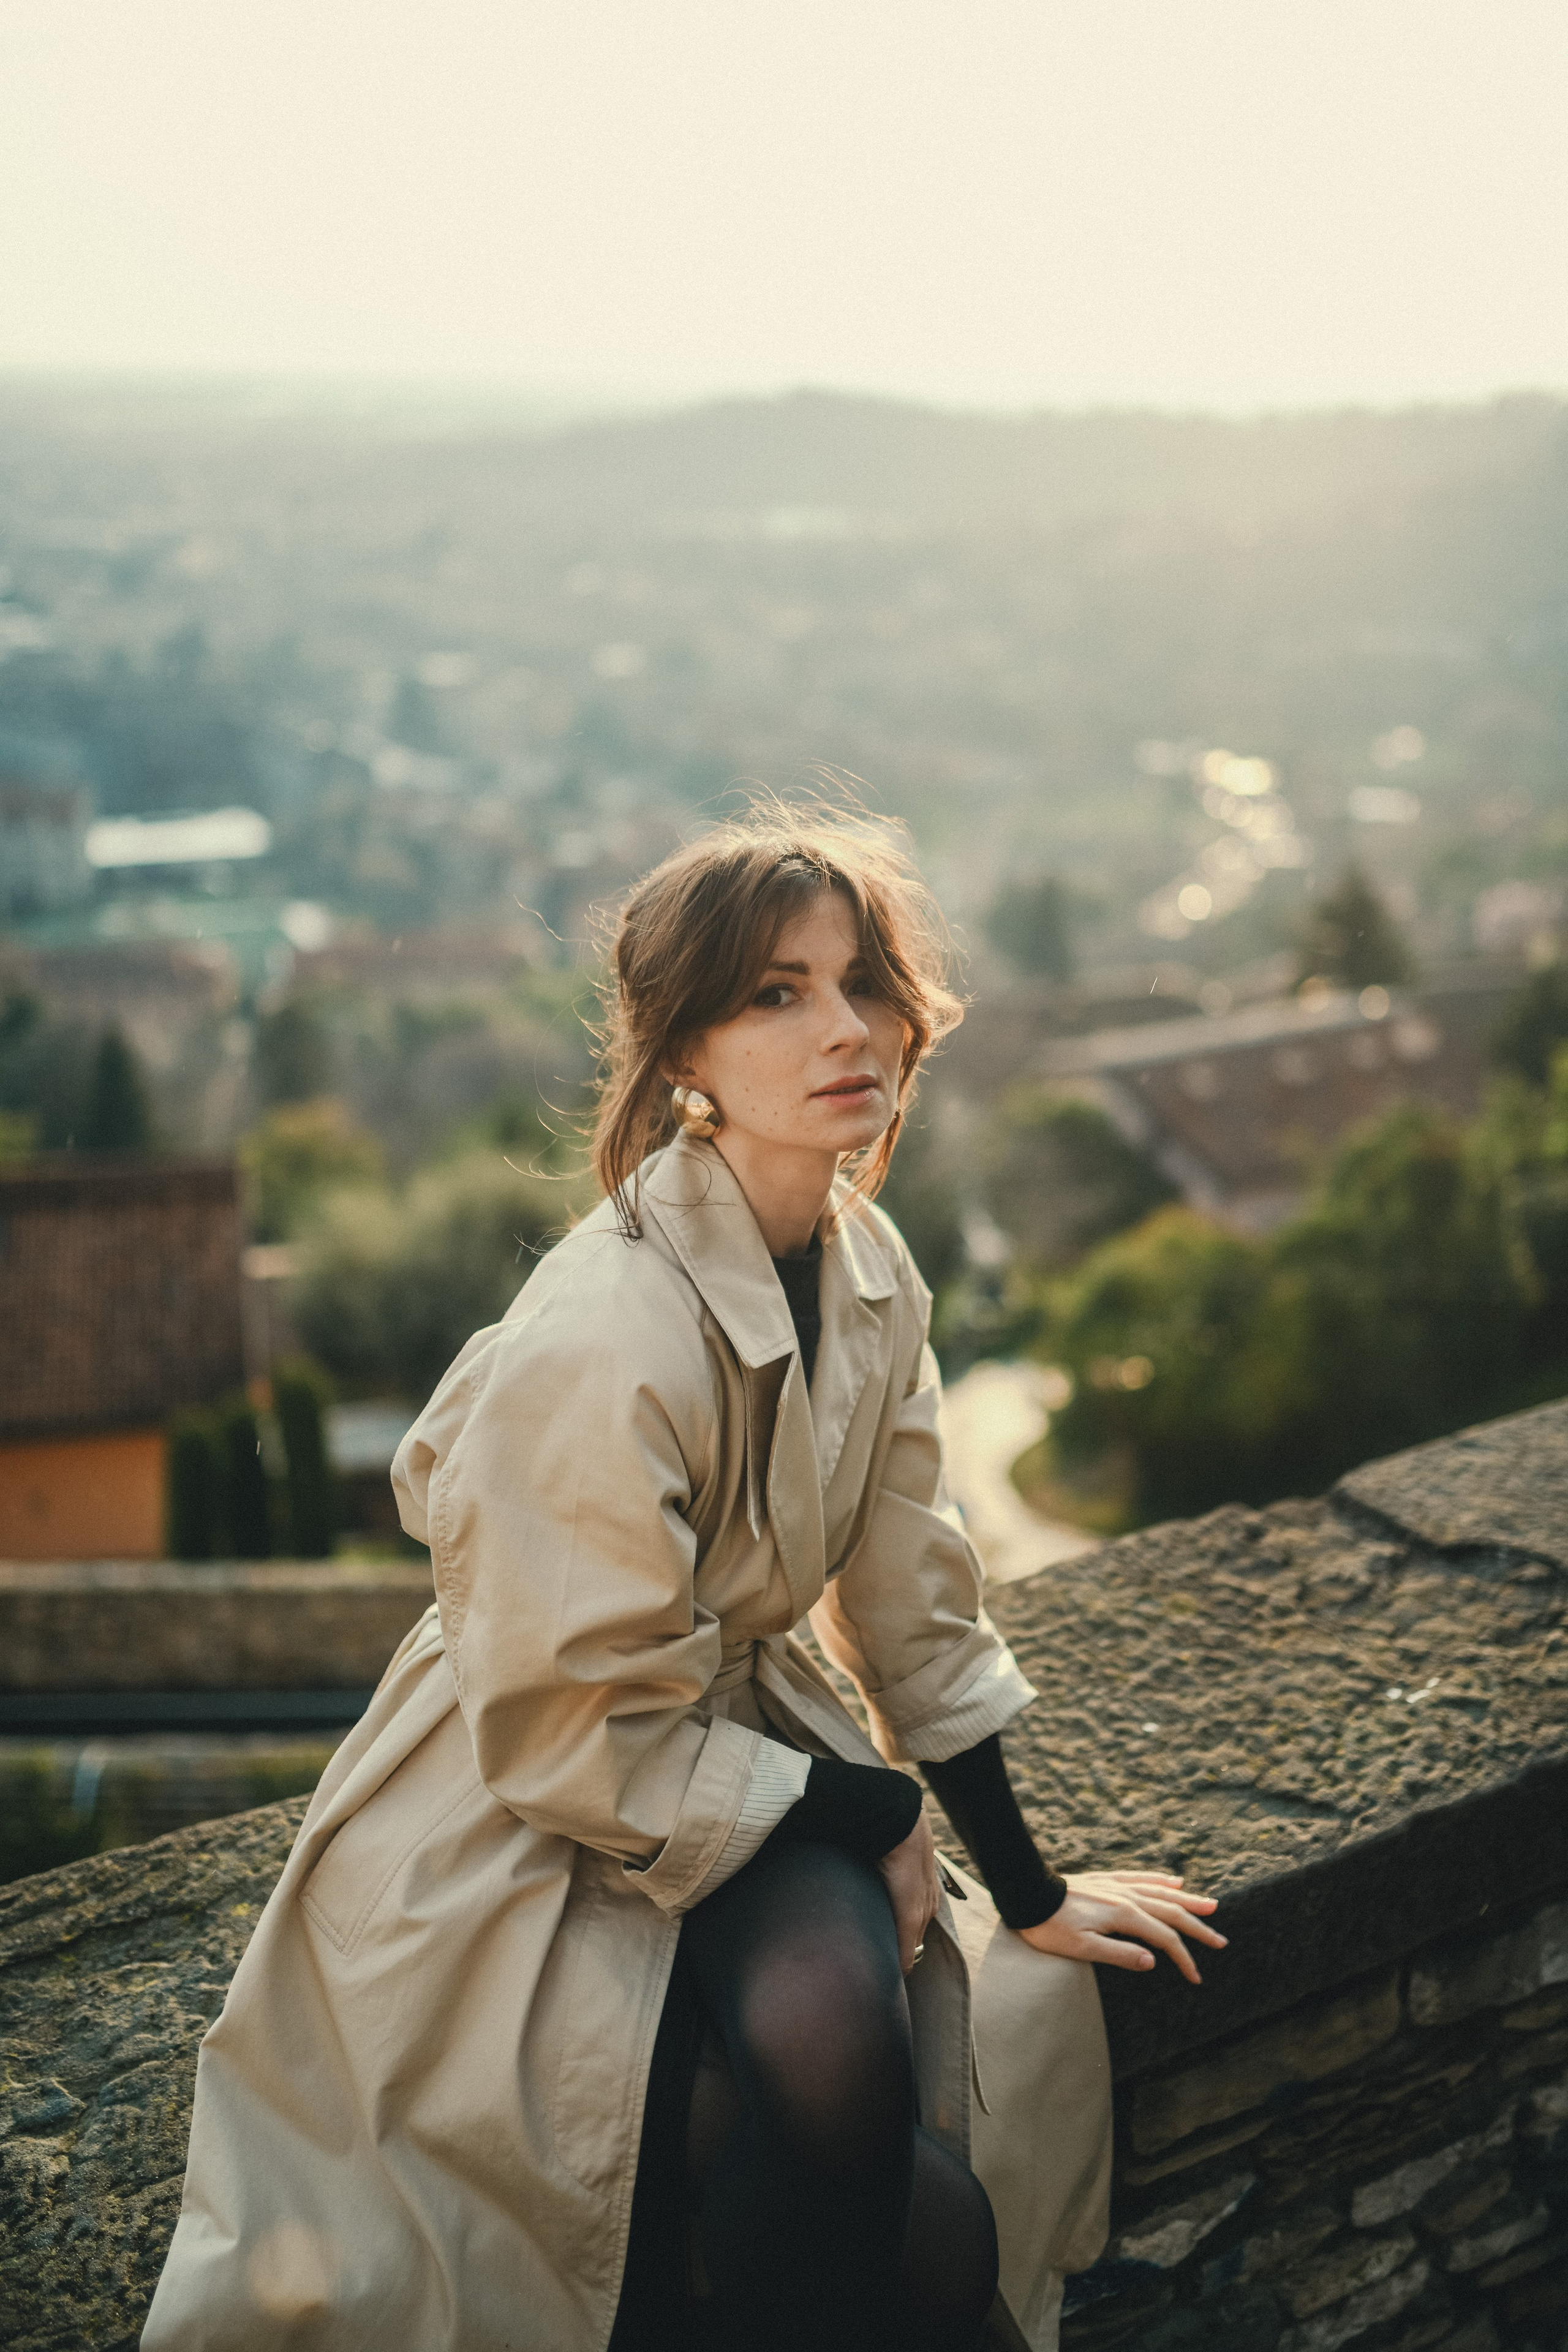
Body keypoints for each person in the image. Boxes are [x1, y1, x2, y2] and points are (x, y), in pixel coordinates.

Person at [143, 805, 1222, 2352]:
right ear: (682, 1060)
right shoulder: (604, 1331)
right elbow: (582, 1733)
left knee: (843, 2079)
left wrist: (1032, 1890)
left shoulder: (869, 1268)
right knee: (850, 2128)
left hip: (737, 1742)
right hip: (537, 1774)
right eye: (775, 993)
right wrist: (881, 1810)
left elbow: (916, 1600)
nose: (846, 1028)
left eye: (863, 981)